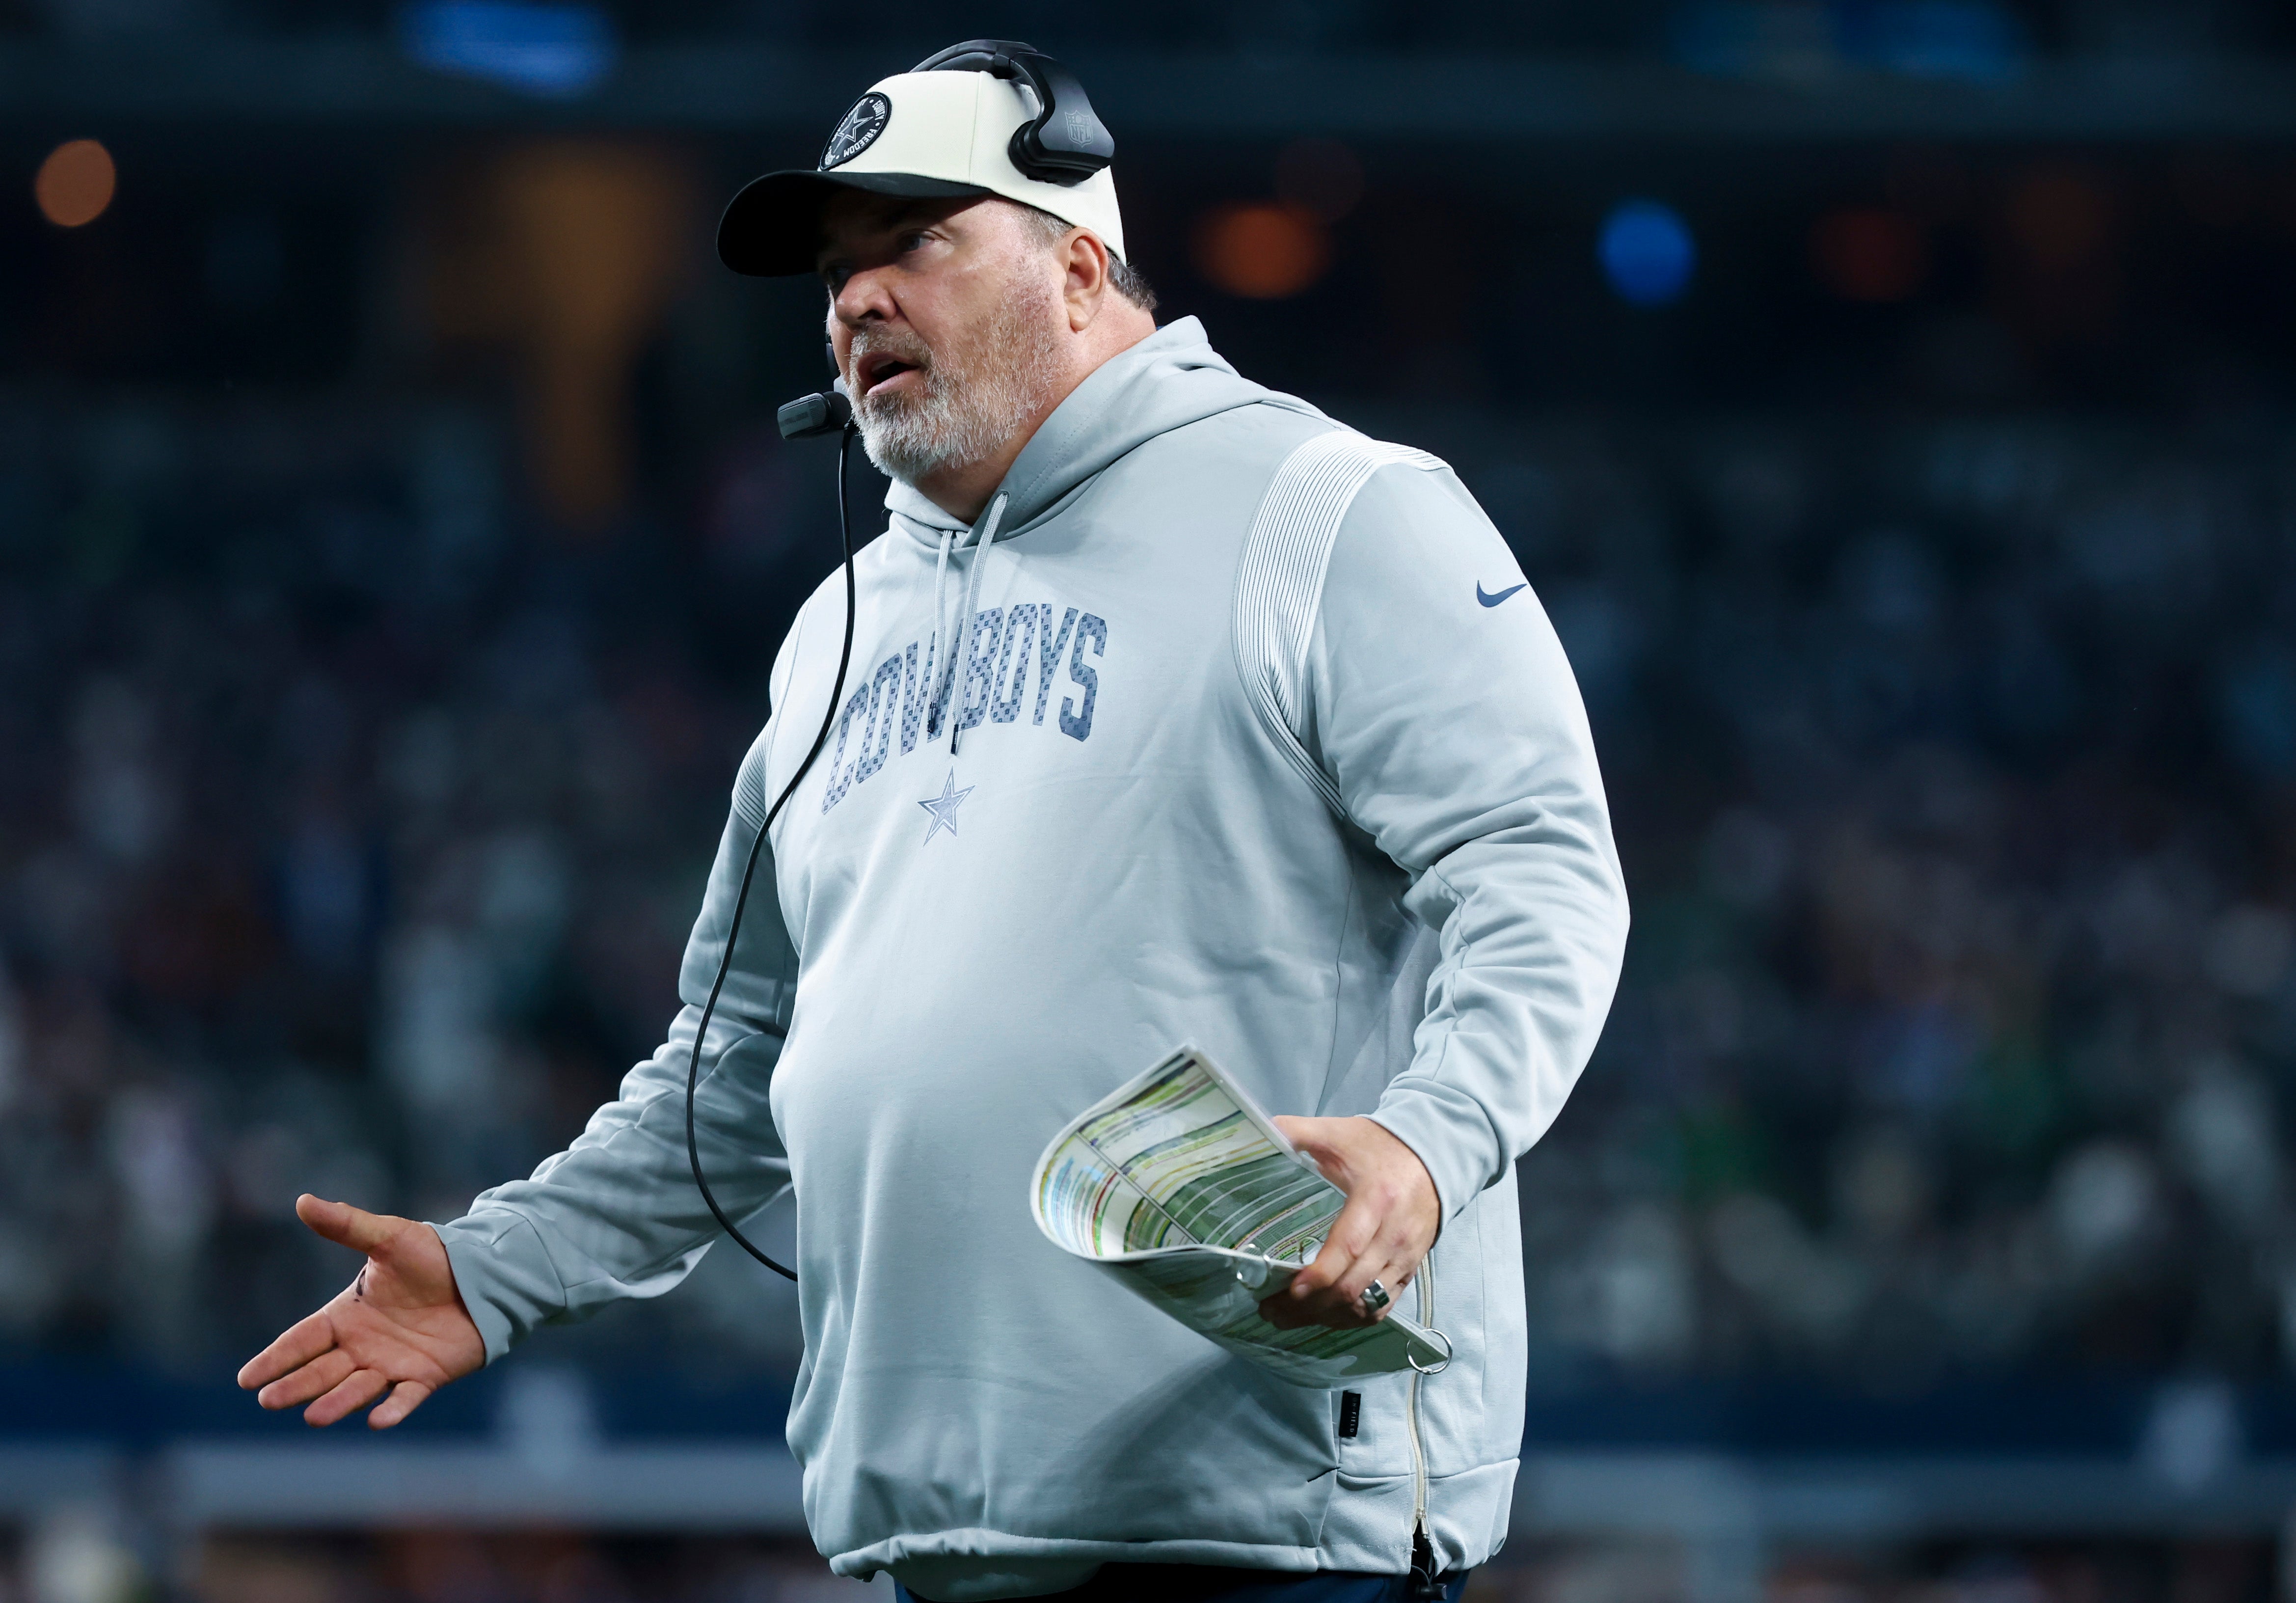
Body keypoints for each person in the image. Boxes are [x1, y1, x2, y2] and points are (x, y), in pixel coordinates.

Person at [238, 41, 1628, 1603]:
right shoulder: (838, 627)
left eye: (917, 239)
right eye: (836, 267)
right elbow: (735, 1066)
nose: (853, 299)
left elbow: (1545, 872)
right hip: (930, 1550)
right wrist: (499, 1271)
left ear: (1082, 264)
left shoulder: (1331, 506)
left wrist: (1429, 1144)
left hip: (1263, 1530)